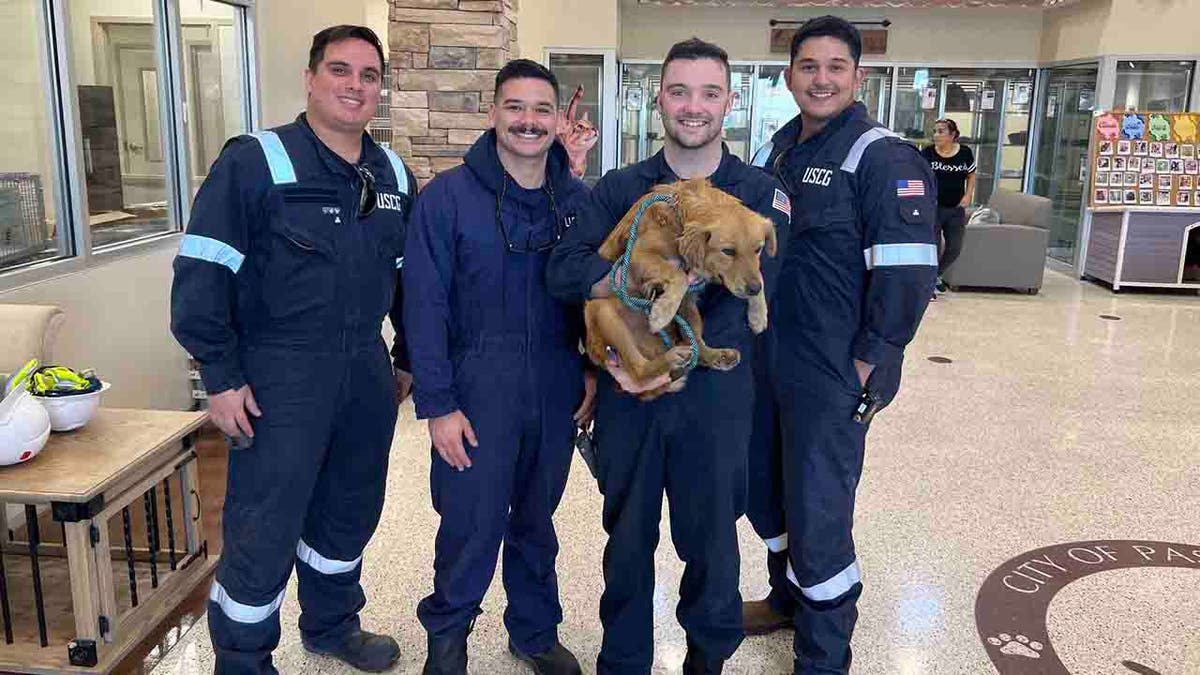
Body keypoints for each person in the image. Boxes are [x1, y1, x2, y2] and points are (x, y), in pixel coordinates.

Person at [170, 25, 414, 674]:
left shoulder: (392, 173)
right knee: (266, 519)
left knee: (350, 505)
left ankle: (333, 623)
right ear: (310, 79)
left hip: (363, 367)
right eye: (339, 70)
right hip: (280, 373)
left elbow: (408, 279)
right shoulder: (254, 162)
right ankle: (244, 658)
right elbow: (202, 274)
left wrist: (406, 359)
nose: (354, 86)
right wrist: (219, 377)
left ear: (379, 90)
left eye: (368, 75)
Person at [546, 38, 791, 675]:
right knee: (626, 542)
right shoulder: (625, 189)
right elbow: (566, 269)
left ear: (729, 102)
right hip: (630, 393)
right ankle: (623, 662)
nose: (693, 106)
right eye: (679, 91)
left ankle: (707, 661)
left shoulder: (758, 196)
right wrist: (619, 332)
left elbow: (766, 291)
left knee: (710, 542)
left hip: (714, 401)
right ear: (659, 99)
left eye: (709, 92)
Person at [743, 16, 937, 674]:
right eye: (808, 66)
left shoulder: (881, 156)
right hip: (772, 358)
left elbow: (911, 270)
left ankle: (823, 653)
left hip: (834, 369)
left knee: (818, 504)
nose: (820, 78)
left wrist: (869, 358)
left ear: (858, 77)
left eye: (835, 67)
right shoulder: (781, 148)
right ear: (789, 74)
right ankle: (785, 596)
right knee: (764, 485)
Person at [403, 59, 594, 675]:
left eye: (542, 109)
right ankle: (449, 637)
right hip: (477, 388)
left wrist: (590, 372)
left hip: (557, 384)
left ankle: (534, 633)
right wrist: (437, 404)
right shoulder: (446, 199)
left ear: (558, 119)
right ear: (493, 113)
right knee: (471, 521)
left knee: (537, 520)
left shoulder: (578, 201)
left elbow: (596, 296)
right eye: (515, 107)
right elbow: (423, 307)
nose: (528, 121)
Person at [921, 118, 976, 293]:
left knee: (955, 247)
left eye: (941, 131)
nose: (936, 135)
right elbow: (919, 175)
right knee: (934, 248)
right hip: (933, 208)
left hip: (956, 208)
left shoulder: (965, 153)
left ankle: (936, 276)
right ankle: (929, 283)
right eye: (935, 131)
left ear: (953, 135)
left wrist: (968, 195)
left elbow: (971, 175)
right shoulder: (928, 153)